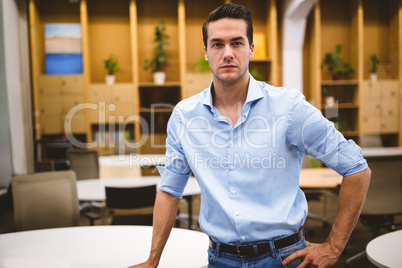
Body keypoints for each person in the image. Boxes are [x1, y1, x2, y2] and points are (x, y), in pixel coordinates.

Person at [131, 3, 370, 268]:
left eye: (237, 43)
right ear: (207, 53)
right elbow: (169, 191)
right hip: (220, 259)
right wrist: (152, 260)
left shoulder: (288, 108)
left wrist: (334, 246)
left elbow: (357, 169)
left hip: (285, 258)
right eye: (218, 44)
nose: (228, 53)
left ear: (251, 49)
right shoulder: (184, 117)